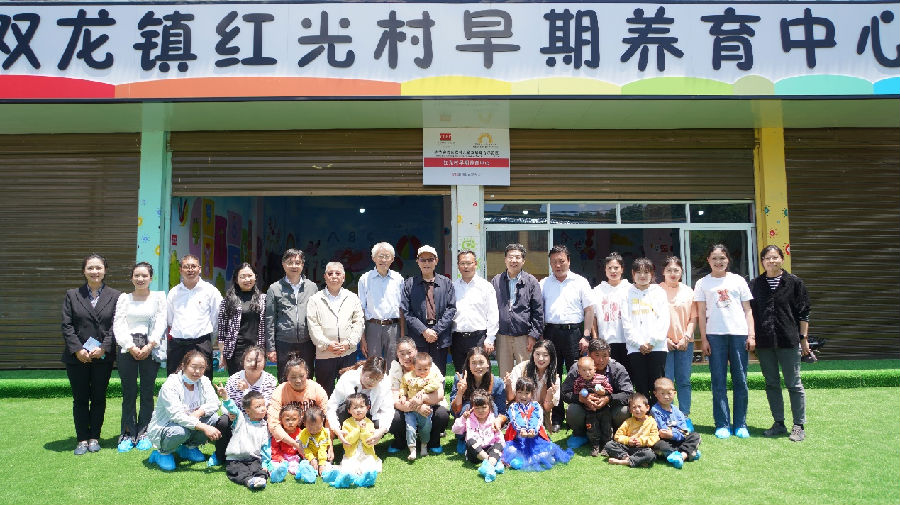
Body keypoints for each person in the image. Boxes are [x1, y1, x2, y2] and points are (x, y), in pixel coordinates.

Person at [749, 244, 811, 442]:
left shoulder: (794, 283)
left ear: (782, 259)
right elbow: (750, 312)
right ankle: (778, 422)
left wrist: (804, 339)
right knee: (772, 383)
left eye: (775, 257)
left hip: (788, 339)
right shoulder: (755, 284)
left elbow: (803, 313)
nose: (771, 261)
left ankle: (798, 425)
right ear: (762, 262)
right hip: (765, 342)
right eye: (767, 258)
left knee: (794, 383)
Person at [62, 253, 122, 455]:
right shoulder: (72, 294)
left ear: (105, 270)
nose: (95, 272)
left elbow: (116, 325)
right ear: (84, 271)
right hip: (77, 356)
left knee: (98, 397)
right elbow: (67, 325)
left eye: (98, 268)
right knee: (80, 398)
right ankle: (81, 439)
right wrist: (78, 349)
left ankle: (94, 436)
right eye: (90, 268)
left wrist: (104, 348)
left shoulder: (115, 296)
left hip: (101, 356)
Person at [694, 243, 755, 439]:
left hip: (738, 335)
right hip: (714, 336)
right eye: (714, 258)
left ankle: (740, 424)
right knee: (718, 382)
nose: (718, 262)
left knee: (741, 381)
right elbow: (701, 313)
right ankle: (722, 424)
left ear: (728, 260)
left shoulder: (738, 281)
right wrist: (703, 339)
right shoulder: (703, 283)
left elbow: (748, 310)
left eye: (722, 258)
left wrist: (751, 334)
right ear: (708, 260)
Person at [112, 261, 166, 452]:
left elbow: (161, 321)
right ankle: (127, 433)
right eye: (137, 275)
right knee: (128, 392)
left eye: (144, 275)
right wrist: (129, 346)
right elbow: (118, 324)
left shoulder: (159, 297)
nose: (140, 279)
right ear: (131, 278)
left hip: (150, 346)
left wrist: (150, 345)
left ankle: (144, 433)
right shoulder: (124, 298)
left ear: (151, 278)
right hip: (127, 347)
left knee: (147, 392)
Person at [540, 244, 594, 431]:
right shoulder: (544, 283)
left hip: (574, 334)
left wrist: (586, 336)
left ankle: (575, 414)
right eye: (554, 262)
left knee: (574, 374)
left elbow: (589, 310)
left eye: (561, 261)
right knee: (553, 375)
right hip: (551, 333)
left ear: (569, 261)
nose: (558, 265)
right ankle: (556, 417)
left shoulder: (580, 282)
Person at [146, 351, 222, 472]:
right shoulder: (170, 384)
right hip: (169, 425)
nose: (197, 371)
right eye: (193, 367)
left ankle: (189, 448)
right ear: (184, 365)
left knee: (213, 419)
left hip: (190, 422)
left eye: (201, 368)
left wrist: (199, 412)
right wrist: (203, 427)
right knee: (180, 431)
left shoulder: (204, 381)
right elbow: (176, 415)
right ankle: (162, 453)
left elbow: (215, 402)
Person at [210, 346, 277, 466]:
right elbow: (226, 402)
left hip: (259, 417)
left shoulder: (269, 380)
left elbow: (264, 404)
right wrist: (228, 412)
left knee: (271, 421)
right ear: (243, 362)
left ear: (265, 362)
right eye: (249, 360)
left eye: (258, 361)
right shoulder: (234, 379)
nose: (253, 364)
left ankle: (265, 454)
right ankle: (219, 454)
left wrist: (247, 389)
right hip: (237, 416)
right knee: (223, 422)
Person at [562, 338, 634, 450]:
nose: (601, 360)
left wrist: (608, 398)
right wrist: (581, 399)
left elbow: (629, 394)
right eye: (597, 355)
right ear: (589, 354)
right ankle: (580, 434)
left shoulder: (617, 368)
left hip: (609, 409)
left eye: (605, 355)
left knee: (624, 411)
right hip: (585, 409)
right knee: (573, 410)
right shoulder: (578, 367)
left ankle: (614, 433)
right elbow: (564, 392)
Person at [306, 261, 364, 396]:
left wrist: (348, 343)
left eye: (337, 273)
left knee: (349, 392)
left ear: (343, 277)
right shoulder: (315, 299)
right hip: (325, 353)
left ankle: (346, 417)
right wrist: (327, 344)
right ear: (325, 277)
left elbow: (358, 322)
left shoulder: (352, 298)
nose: (334, 276)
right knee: (325, 392)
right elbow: (313, 325)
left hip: (348, 352)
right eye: (330, 273)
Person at [387, 337, 450, 454]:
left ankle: (433, 442)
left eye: (409, 352)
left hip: (430, 404)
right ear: (397, 354)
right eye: (402, 353)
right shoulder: (395, 368)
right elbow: (396, 400)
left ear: (415, 351)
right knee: (394, 417)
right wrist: (417, 407)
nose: (406, 357)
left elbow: (440, 394)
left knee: (442, 414)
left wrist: (423, 399)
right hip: (406, 407)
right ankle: (400, 442)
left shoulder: (427, 364)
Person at [401, 245, 457, 376]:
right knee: (417, 373)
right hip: (418, 337)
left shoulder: (446, 283)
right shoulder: (409, 284)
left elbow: (451, 308)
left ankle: (438, 397)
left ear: (436, 261)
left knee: (438, 374)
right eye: (423, 260)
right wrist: (424, 330)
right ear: (417, 261)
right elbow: (407, 312)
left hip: (440, 336)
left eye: (430, 259)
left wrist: (435, 331)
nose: (426, 263)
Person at [265, 248, 319, 384]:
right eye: (290, 262)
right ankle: (285, 404)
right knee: (285, 376)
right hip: (284, 341)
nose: (294, 266)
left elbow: (318, 316)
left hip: (307, 341)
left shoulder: (312, 287)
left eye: (297, 262)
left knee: (306, 375)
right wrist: (271, 348)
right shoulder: (274, 288)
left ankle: (306, 404)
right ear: (283, 264)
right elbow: (270, 319)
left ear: (302, 265)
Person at [621, 258, 670, 404]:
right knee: (640, 384)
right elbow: (626, 322)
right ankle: (642, 419)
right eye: (639, 272)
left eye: (646, 272)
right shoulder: (626, 293)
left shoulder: (659, 292)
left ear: (652, 274)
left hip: (658, 347)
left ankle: (658, 418)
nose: (642, 276)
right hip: (635, 348)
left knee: (657, 385)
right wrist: (639, 343)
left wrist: (652, 342)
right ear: (632, 273)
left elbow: (664, 320)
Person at [491, 243, 543, 378]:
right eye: (510, 257)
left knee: (525, 374)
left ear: (523, 261)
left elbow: (538, 310)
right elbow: (490, 309)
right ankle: (507, 399)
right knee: (505, 375)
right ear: (505, 259)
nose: (514, 261)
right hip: (502, 336)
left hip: (524, 336)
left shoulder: (531, 281)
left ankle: (525, 400)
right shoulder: (496, 281)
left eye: (517, 257)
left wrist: (533, 335)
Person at [167, 254, 222, 382]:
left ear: (200, 269)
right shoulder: (174, 293)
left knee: (203, 381)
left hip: (201, 343)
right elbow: (170, 319)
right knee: (175, 382)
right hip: (177, 344)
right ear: (180, 270)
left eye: (193, 266)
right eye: (186, 267)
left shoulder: (210, 291)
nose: (190, 270)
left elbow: (217, 316)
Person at [501, 377, 574, 472]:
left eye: (526, 393)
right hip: (518, 439)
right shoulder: (513, 406)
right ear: (516, 392)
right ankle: (529, 459)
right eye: (520, 392)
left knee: (549, 448)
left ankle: (532, 459)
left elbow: (537, 419)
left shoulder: (536, 406)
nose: (523, 396)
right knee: (511, 450)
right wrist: (522, 429)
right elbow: (516, 419)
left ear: (532, 394)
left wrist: (533, 430)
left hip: (535, 438)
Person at [266, 354, 329, 459]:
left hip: (311, 427)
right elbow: (273, 423)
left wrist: (329, 444)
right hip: (289, 428)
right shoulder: (280, 391)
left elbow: (328, 416)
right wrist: (295, 444)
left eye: (301, 376)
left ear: (307, 374)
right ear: (287, 377)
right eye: (293, 377)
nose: (298, 380)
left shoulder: (316, 388)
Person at [660, 256, 698, 428]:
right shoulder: (656, 290)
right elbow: (653, 318)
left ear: (682, 272)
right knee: (666, 381)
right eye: (669, 270)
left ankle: (684, 415)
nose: (673, 273)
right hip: (663, 343)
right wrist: (664, 338)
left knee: (684, 380)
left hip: (684, 343)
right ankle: (666, 415)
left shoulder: (689, 291)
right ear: (663, 272)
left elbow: (693, 318)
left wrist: (686, 337)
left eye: (676, 270)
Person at [450, 347, 507, 454]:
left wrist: (498, 420)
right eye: (474, 363)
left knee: (492, 405)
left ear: (488, 364)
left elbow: (502, 412)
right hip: (468, 422)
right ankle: (463, 439)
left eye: (481, 362)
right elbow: (454, 412)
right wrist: (460, 393)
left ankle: (490, 441)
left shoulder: (497, 382)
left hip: (488, 426)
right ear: (468, 365)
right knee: (468, 407)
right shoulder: (460, 379)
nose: (478, 367)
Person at [326, 356, 394, 445]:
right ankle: (351, 439)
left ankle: (399, 442)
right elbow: (331, 406)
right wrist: (336, 429)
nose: (372, 382)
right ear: (362, 371)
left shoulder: (385, 382)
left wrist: (380, 432)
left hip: (371, 417)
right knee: (342, 410)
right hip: (349, 416)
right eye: (370, 377)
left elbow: (388, 410)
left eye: (377, 379)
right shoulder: (348, 378)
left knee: (396, 418)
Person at [451, 250, 499, 374]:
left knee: (480, 375)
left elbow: (493, 314)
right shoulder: (453, 287)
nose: (466, 267)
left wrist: (490, 338)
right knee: (461, 375)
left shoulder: (485, 286)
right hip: (457, 338)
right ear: (458, 266)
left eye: (469, 263)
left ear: (475, 264)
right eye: (462, 263)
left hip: (478, 338)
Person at [216, 388, 273, 489]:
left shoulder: (265, 426)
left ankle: (261, 479)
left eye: (264, 405)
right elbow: (233, 409)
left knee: (259, 469)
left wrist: (265, 463)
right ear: (248, 411)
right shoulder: (241, 420)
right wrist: (225, 397)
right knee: (238, 470)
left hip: (254, 458)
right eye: (258, 406)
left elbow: (266, 447)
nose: (263, 409)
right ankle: (249, 481)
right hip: (236, 459)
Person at [358, 242, 405, 362]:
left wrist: (403, 336)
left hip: (394, 328)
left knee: (394, 365)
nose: (383, 260)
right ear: (373, 258)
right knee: (374, 365)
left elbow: (402, 309)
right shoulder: (365, 279)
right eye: (380, 256)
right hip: (373, 327)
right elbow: (361, 310)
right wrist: (363, 339)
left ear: (392, 259)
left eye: (387, 256)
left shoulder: (398, 279)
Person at [217, 263, 266, 376]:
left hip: (257, 348)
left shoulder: (263, 300)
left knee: (256, 383)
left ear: (255, 277)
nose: (247, 279)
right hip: (235, 350)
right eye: (242, 276)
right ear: (236, 279)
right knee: (238, 384)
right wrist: (222, 353)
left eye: (250, 275)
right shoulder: (228, 301)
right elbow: (222, 331)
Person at [322, 393, 381, 489]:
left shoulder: (369, 423)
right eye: (355, 408)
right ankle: (344, 478)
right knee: (348, 467)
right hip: (352, 455)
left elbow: (369, 443)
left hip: (366, 454)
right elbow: (348, 440)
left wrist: (364, 430)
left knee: (369, 467)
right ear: (349, 410)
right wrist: (358, 429)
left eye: (362, 407)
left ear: (367, 408)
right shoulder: (346, 423)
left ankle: (365, 479)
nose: (359, 410)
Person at [451, 389, 506, 483]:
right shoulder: (468, 418)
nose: (480, 411)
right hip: (475, 453)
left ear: (489, 407)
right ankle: (492, 462)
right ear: (472, 407)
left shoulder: (493, 418)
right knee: (470, 442)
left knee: (498, 445)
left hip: (490, 448)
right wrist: (463, 418)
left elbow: (499, 438)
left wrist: (500, 447)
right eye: (477, 408)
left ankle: (488, 467)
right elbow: (455, 430)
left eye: (484, 407)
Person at [504, 339, 560, 432]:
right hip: (518, 410)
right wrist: (509, 385)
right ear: (532, 354)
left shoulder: (554, 377)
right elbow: (510, 397)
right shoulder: (521, 368)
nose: (540, 359)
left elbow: (547, 408)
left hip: (537, 413)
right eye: (537, 354)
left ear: (551, 357)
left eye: (545, 355)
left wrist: (550, 394)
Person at [591, 252, 632, 375]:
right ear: (605, 270)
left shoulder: (630, 289)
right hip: (605, 342)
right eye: (609, 268)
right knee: (607, 377)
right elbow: (593, 317)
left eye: (616, 268)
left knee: (627, 375)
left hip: (627, 341)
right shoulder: (597, 291)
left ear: (622, 269)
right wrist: (595, 338)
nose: (613, 271)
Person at [399, 352, 443, 460]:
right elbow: (403, 387)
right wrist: (402, 396)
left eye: (426, 369)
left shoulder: (431, 376)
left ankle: (424, 445)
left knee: (426, 427)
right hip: (410, 409)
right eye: (419, 369)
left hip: (425, 408)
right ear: (414, 367)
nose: (423, 372)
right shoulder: (407, 377)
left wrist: (424, 391)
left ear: (430, 368)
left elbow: (435, 385)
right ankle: (412, 449)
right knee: (410, 428)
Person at [650, 377, 701, 469]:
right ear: (655, 394)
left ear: (674, 393)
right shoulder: (655, 410)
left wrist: (673, 434)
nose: (666, 396)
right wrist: (676, 433)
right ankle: (688, 452)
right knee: (659, 446)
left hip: (678, 439)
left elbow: (685, 430)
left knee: (695, 436)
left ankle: (682, 456)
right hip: (665, 441)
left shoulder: (677, 411)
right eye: (662, 393)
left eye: (669, 393)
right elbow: (663, 432)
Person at [571, 356, 613, 456]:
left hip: (603, 409)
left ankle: (607, 446)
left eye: (590, 369)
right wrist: (582, 394)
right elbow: (575, 393)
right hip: (589, 410)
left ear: (595, 369)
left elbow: (610, 390)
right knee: (592, 428)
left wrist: (604, 392)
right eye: (584, 370)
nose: (587, 373)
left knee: (606, 427)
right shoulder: (578, 381)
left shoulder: (601, 378)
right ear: (579, 371)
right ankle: (595, 446)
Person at [603, 393, 659, 468]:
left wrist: (642, 441)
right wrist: (628, 440)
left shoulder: (651, 421)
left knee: (650, 454)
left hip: (642, 448)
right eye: (634, 407)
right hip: (627, 448)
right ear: (630, 410)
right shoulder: (628, 421)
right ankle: (629, 459)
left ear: (647, 407)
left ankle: (624, 461)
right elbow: (617, 436)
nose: (637, 410)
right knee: (609, 445)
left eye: (639, 406)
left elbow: (655, 437)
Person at [269, 404, 304, 479]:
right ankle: (276, 475)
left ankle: (300, 473)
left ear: (299, 420)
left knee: (295, 466)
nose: (290, 422)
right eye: (287, 419)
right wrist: (280, 458)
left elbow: (302, 447)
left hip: (293, 457)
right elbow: (275, 448)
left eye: (294, 419)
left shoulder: (300, 433)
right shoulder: (279, 433)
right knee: (274, 465)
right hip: (281, 457)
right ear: (281, 420)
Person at [297, 405, 333, 478]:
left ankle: (327, 474)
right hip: (309, 457)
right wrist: (312, 459)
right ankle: (308, 475)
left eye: (318, 427)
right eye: (310, 428)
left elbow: (322, 449)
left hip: (322, 457)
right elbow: (305, 449)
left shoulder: (325, 432)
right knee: (304, 464)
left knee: (327, 466)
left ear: (323, 421)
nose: (314, 430)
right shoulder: (303, 434)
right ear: (304, 423)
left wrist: (321, 463)